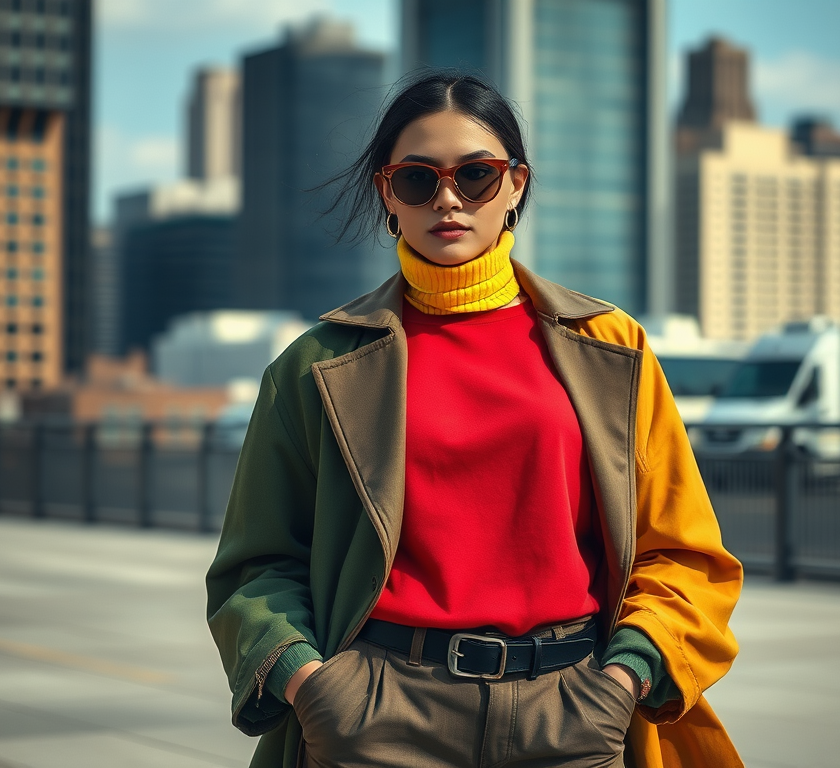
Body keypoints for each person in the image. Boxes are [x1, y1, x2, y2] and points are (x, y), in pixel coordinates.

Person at [206, 71, 744, 768]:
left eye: (477, 175)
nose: (449, 198)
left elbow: (684, 553)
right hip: (376, 716)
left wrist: (624, 680)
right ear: (386, 193)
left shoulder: (612, 347)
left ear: (517, 184)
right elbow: (256, 568)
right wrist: (316, 689)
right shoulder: (314, 366)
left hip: (574, 712)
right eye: (418, 179)